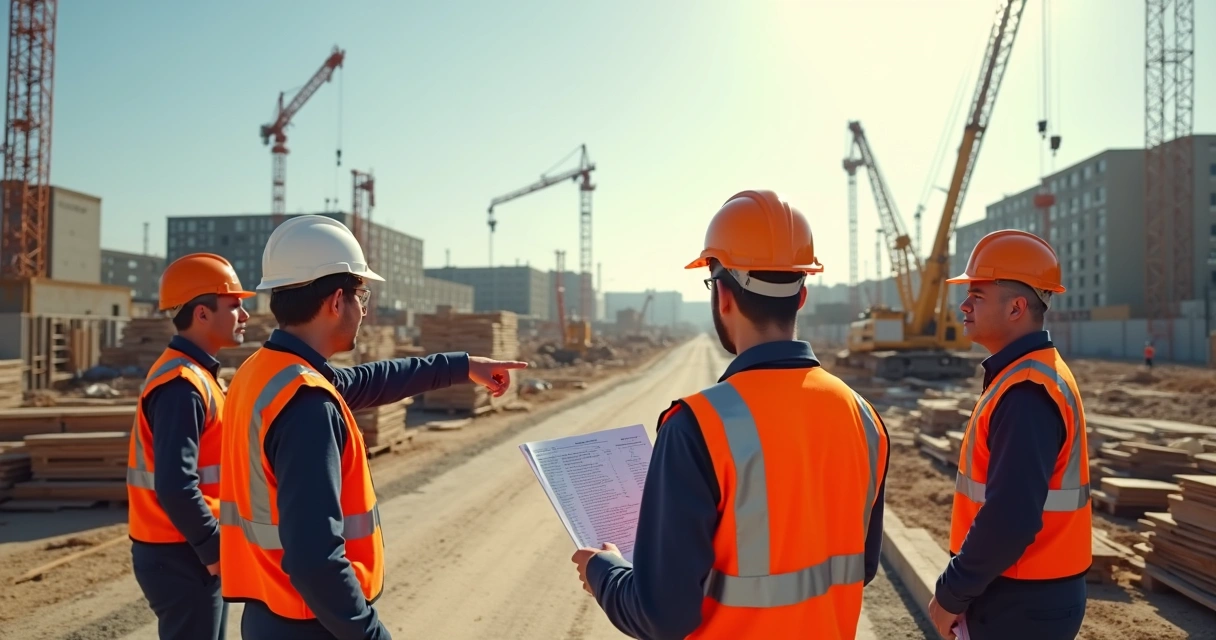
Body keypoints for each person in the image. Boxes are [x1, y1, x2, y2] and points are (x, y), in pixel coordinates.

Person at [571, 190, 891, 639]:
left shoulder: (695, 427)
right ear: (801, 296)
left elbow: (661, 614)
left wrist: (603, 573)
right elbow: (863, 566)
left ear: (721, 295)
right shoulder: (864, 417)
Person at [218, 215, 527, 640]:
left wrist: (463, 366)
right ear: (336, 302)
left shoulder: (263, 373)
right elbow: (315, 558)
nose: (365, 308)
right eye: (362, 294)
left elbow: (369, 380)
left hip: (268, 612)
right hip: (312, 623)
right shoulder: (306, 403)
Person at [929, 229, 1091, 640]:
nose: (964, 305)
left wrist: (951, 593)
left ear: (1017, 307)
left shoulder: (1026, 391)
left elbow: (1010, 517)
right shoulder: (1028, 375)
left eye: (977, 295)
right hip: (1026, 594)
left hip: (1021, 602)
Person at [126, 253, 255, 640]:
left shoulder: (198, 376)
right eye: (235, 305)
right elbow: (176, 485)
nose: (245, 315)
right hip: (182, 553)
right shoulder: (182, 385)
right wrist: (214, 550)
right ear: (202, 313)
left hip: (187, 549)